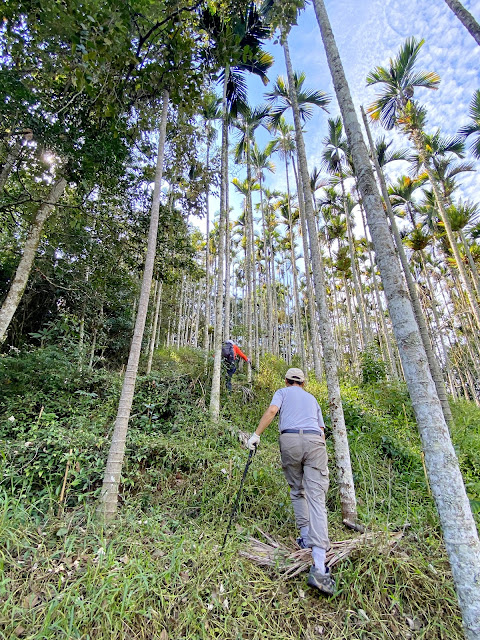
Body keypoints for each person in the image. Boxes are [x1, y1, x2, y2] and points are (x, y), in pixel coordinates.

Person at [247, 367, 335, 596]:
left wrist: (256, 435)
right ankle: (319, 566)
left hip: (289, 441)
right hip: (315, 441)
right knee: (317, 498)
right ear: (303, 384)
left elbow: (273, 410)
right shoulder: (313, 399)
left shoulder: (282, 392)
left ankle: (305, 537)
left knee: (297, 490)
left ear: (286, 381)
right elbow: (322, 432)